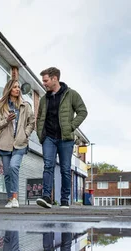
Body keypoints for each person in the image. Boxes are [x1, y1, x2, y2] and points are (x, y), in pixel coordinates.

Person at [35, 67, 88, 209]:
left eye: (46, 81)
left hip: (66, 139)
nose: (44, 83)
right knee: (48, 166)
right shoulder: (44, 99)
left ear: (55, 79)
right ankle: (46, 197)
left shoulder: (71, 94)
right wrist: (40, 134)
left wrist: (71, 126)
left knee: (65, 169)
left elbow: (83, 111)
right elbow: (39, 117)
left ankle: (64, 199)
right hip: (49, 138)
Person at [0, 80, 35, 208]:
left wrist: (26, 134)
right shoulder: (2, 106)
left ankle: (15, 198)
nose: (17, 89)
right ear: (9, 89)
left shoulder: (25, 105)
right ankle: (10, 199)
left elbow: (31, 122)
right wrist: (6, 120)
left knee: (13, 167)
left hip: (20, 143)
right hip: (5, 144)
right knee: (6, 173)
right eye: (14, 87)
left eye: (18, 87)